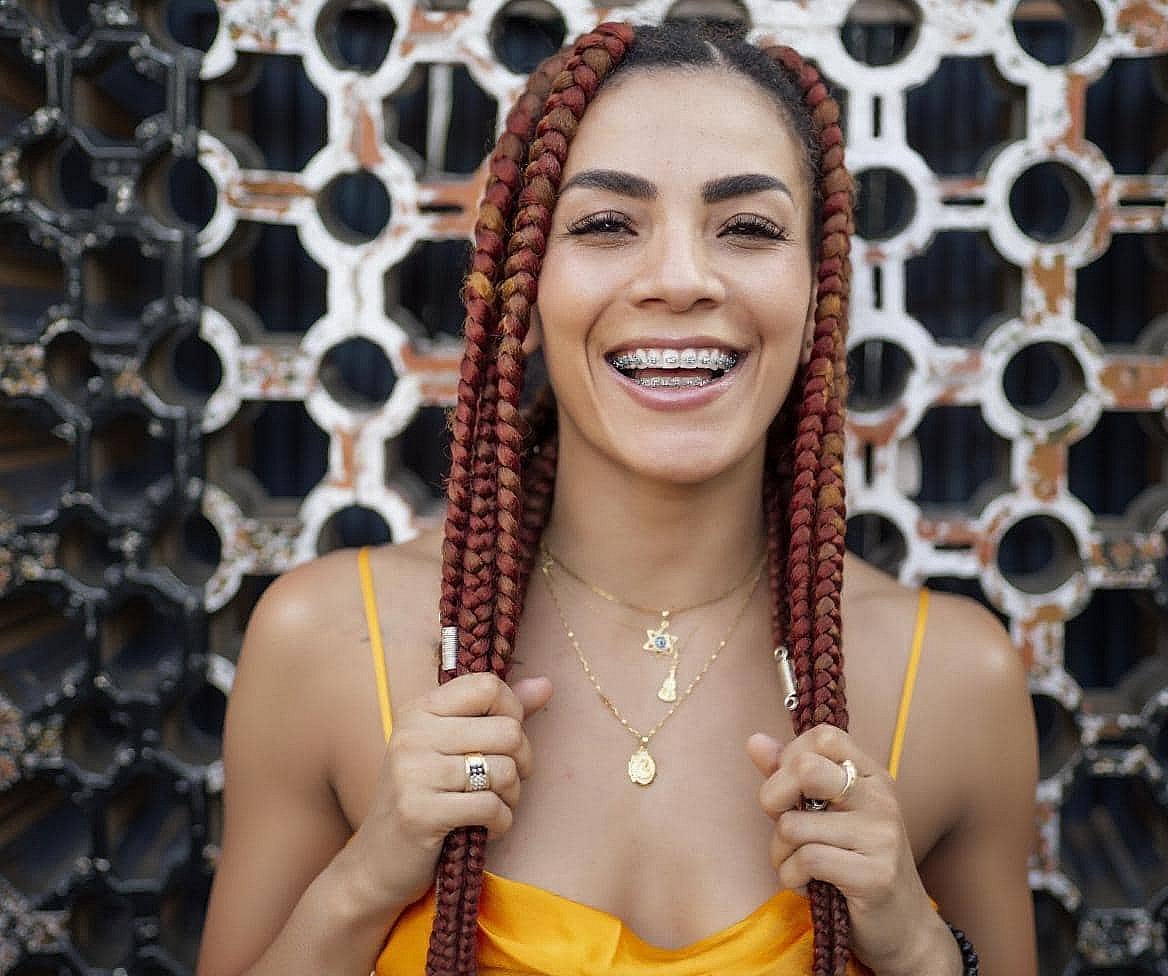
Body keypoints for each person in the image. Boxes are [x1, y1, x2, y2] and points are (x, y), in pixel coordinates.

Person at [197, 20, 1037, 976]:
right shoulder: (324, 641)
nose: (680, 279)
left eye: (749, 228)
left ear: (818, 292)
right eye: (605, 225)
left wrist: (923, 951)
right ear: (521, 284)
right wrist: (363, 882)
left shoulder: (957, 681)